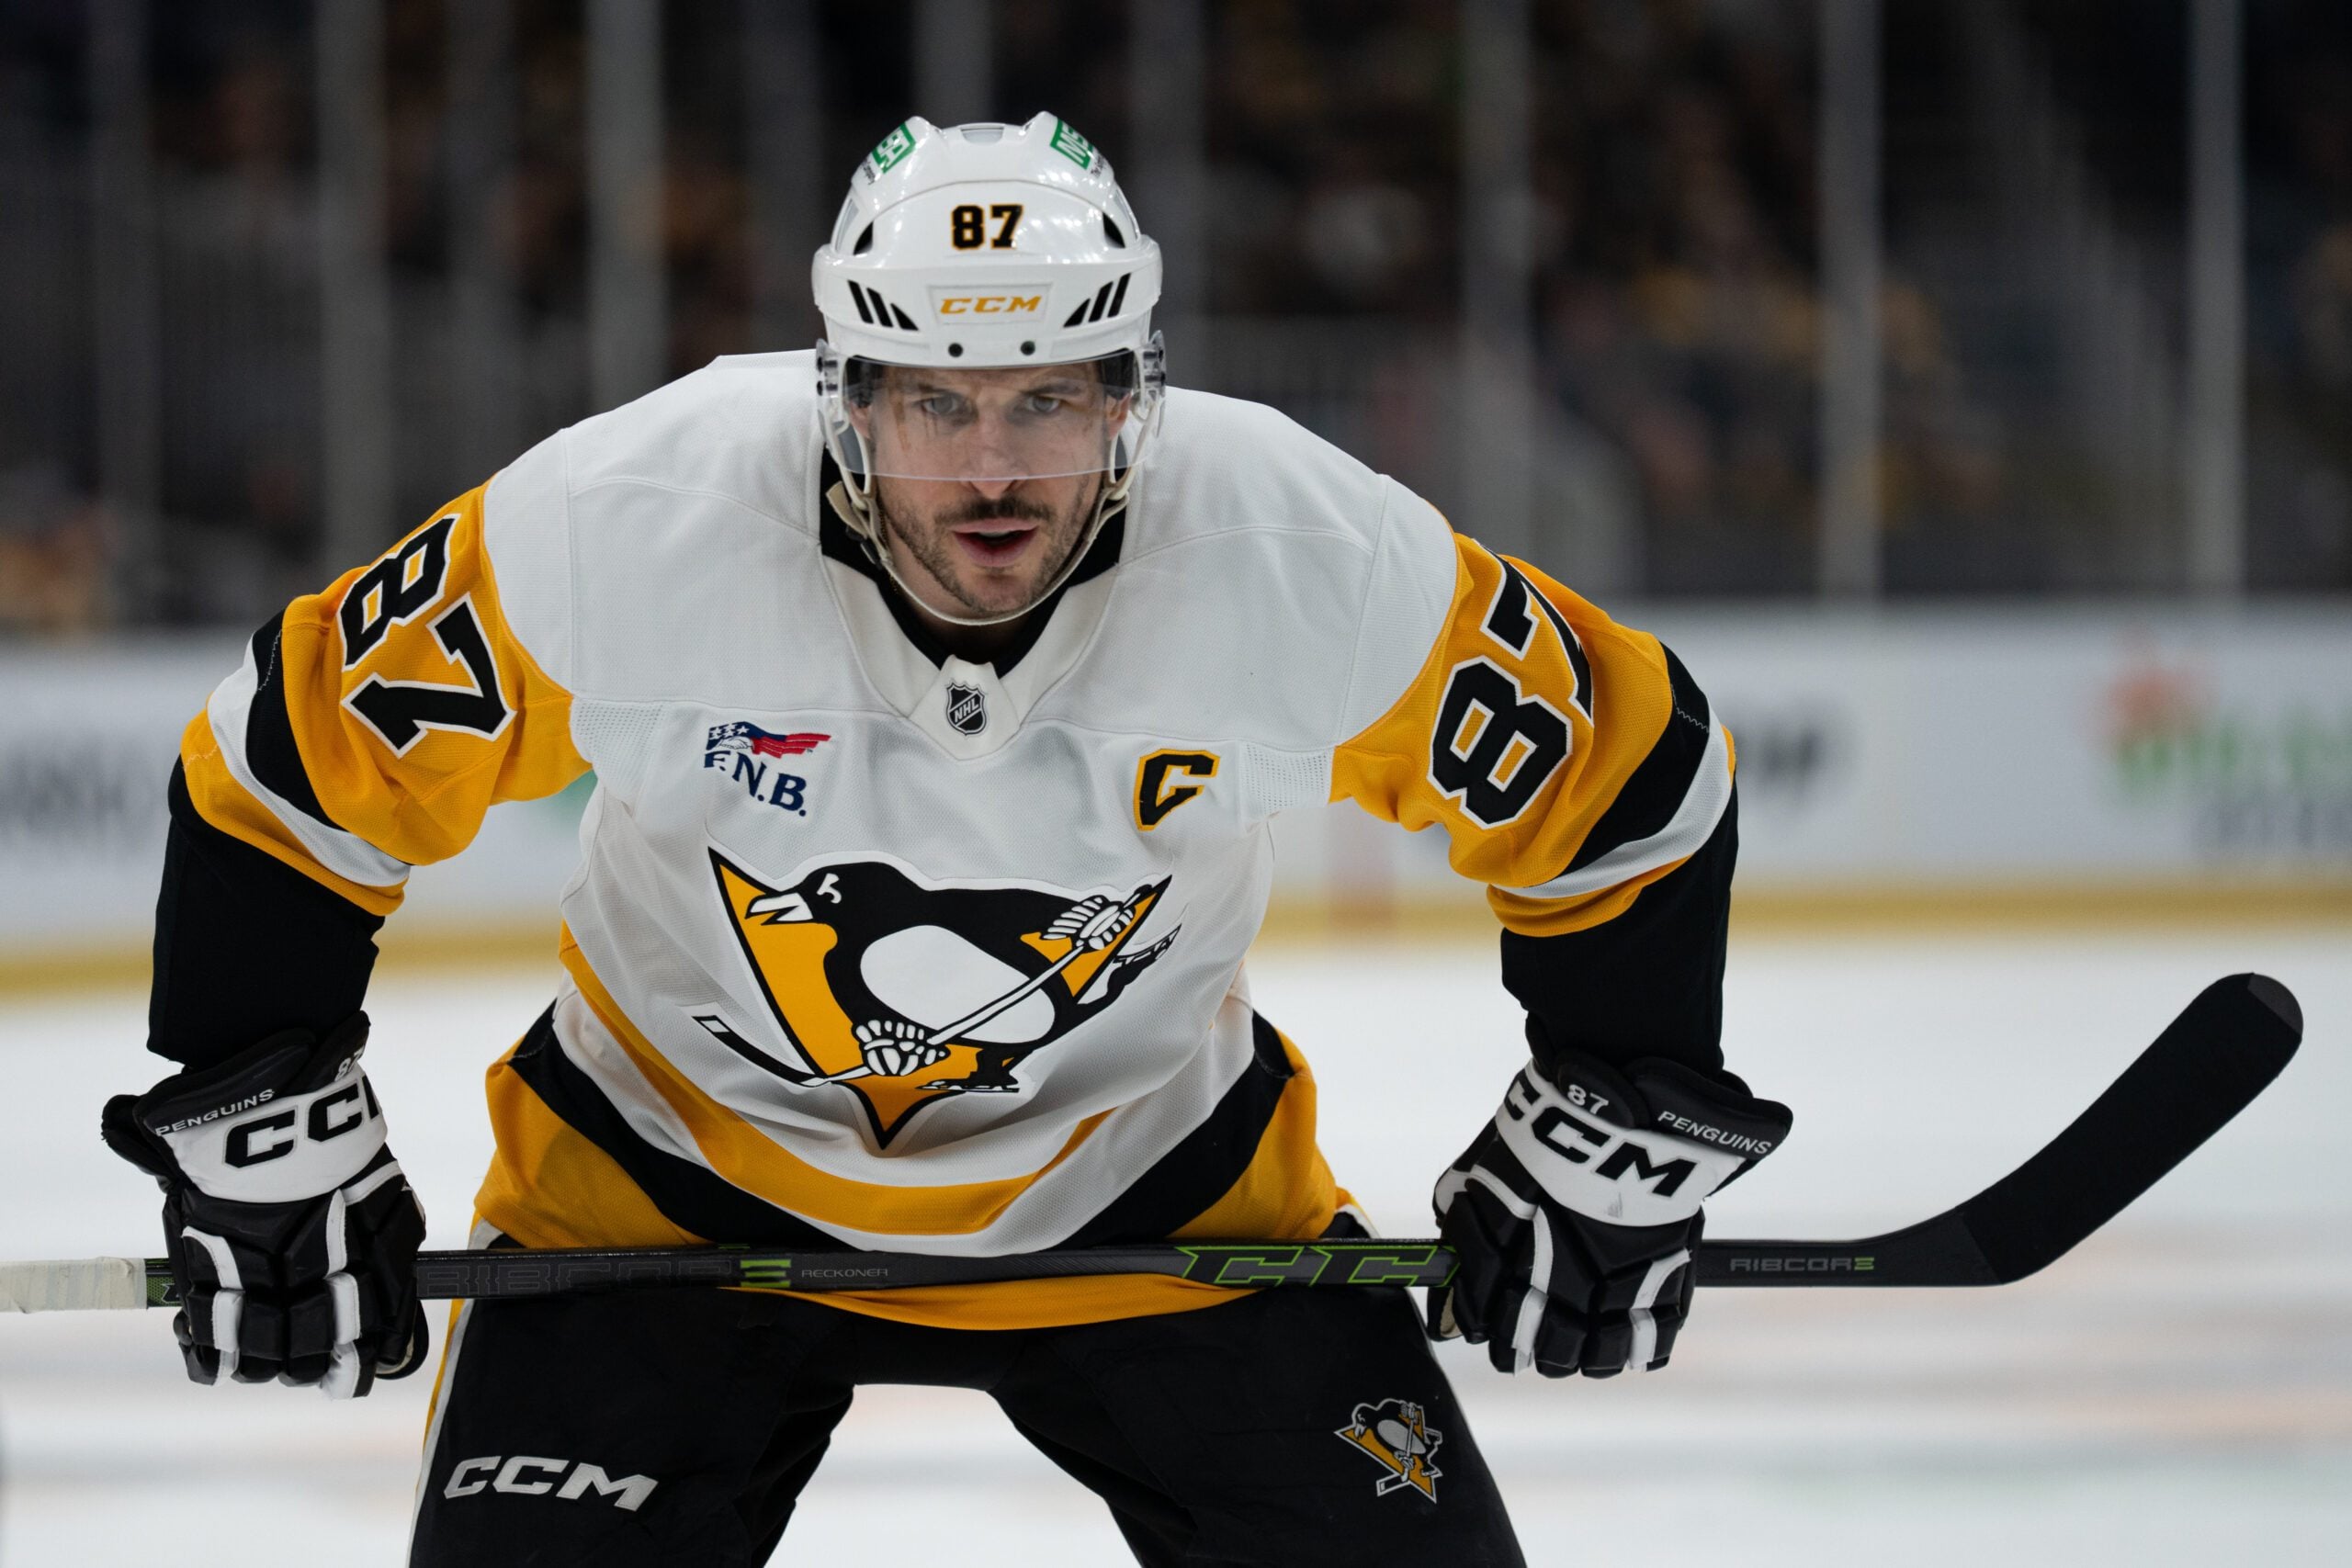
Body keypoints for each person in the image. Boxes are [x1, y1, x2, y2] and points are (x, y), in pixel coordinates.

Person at [100, 113, 1789, 1565]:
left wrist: (1609, 1121)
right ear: (847, 397)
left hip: (1155, 1207)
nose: (993, 471)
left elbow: (1629, 781)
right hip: (657, 1212)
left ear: (1131, 398)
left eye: (1049, 400)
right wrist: (265, 1128)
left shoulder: (1303, 549)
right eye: (936, 403)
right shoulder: (627, 519)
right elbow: (290, 771)